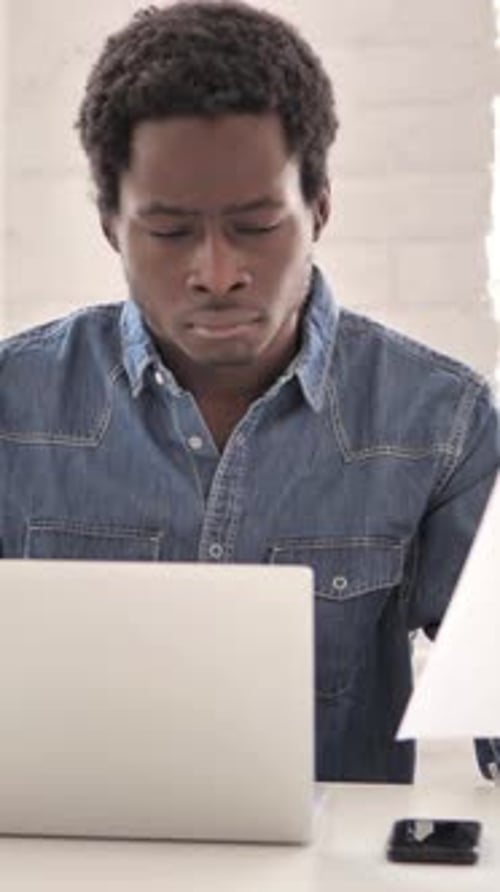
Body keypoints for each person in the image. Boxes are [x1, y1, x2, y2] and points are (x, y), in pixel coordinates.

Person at [0, 0, 498, 783]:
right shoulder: (12, 408)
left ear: (319, 209)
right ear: (109, 226)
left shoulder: (442, 422)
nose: (218, 272)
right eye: (168, 233)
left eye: (258, 226)